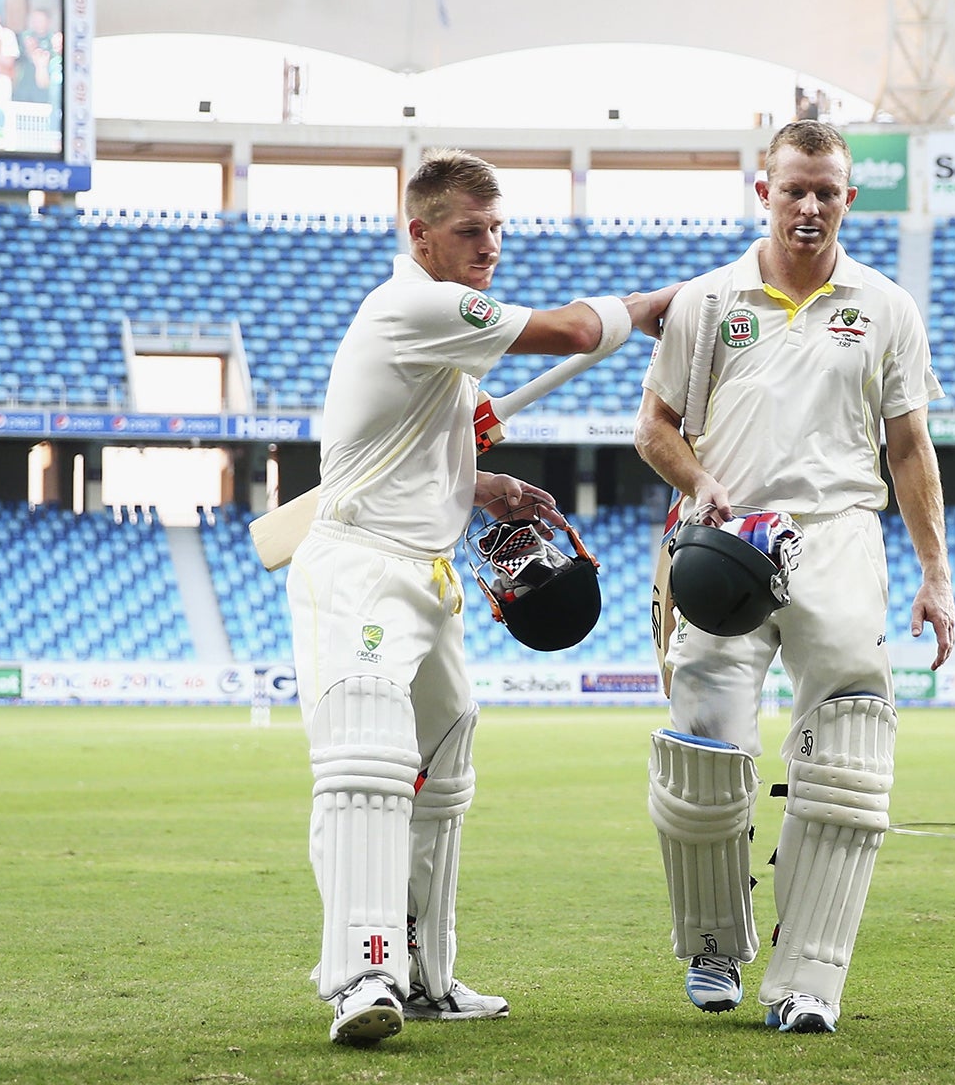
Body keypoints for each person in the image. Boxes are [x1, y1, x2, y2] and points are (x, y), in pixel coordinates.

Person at [288, 148, 678, 1047]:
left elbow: (414, 449)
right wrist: (659, 307)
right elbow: (578, 335)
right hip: (360, 570)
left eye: (499, 228)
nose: (490, 245)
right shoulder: (412, 305)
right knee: (367, 770)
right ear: (418, 233)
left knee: (445, 774)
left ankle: (428, 978)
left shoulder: (445, 346)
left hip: (427, 572)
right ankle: (360, 974)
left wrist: (481, 482)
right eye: (471, 230)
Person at [634, 119, 955, 1036]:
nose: (809, 206)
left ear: (850, 198)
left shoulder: (887, 306)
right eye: (793, 190)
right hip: (721, 538)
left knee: (850, 756)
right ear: (764, 192)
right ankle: (710, 945)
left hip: (841, 536)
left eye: (826, 191)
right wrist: (699, 483)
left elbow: (908, 447)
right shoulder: (705, 300)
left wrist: (936, 573)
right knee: (704, 750)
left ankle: (809, 977)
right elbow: (652, 427)